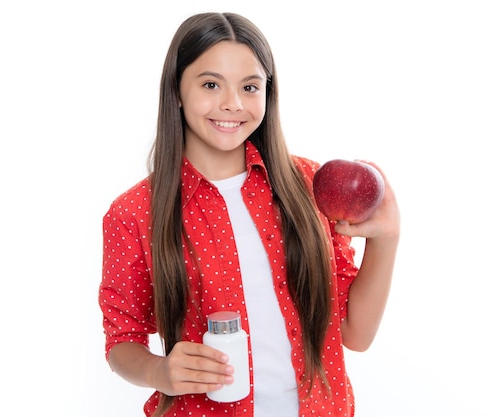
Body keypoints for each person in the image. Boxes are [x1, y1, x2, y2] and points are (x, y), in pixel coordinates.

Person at [99, 11, 400, 417]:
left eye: (249, 86)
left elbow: (355, 334)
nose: (232, 104)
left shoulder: (308, 186)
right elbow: (122, 341)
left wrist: (385, 239)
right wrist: (159, 371)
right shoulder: (134, 212)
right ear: (176, 90)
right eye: (210, 84)